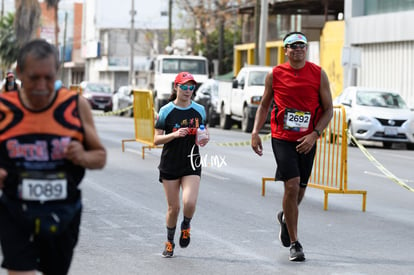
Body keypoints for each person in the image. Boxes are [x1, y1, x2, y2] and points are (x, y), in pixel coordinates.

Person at [0, 39, 106, 274]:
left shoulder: (75, 107)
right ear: (19, 73)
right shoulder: (3, 109)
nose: (41, 85)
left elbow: (99, 156)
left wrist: (82, 156)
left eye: (48, 78)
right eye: (33, 78)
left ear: (56, 73)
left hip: (63, 213)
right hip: (16, 211)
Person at [251, 32, 333, 262]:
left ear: (306, 49)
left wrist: (315, 135)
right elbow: (265, 104)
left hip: (308, 139)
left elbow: (329, 110)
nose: (298, 48)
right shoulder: (275, 74)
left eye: (302, 45)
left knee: (301, 189)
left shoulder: (318, 74)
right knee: (292, 185)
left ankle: (286, 218)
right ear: (285, 50)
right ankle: (295, 244)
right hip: (282, 137)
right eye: (292, 45)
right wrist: (256, 132)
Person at [154, 71, 209, 258]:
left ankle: (186, 225)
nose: (188, 90)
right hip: (170, 163)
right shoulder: (166, 111)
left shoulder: (200, 110)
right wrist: (175, 135)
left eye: (191, 87)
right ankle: (169, 242)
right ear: (176, 87)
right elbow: (156, 140)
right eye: (184, 86)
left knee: (189, 202)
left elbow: (204, 132)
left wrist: (204, 138)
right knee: (173, 208)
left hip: (191, 162)